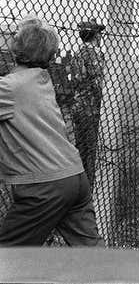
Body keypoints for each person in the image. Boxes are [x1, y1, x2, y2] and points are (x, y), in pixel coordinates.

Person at [0, 17, 102, 247]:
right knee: (93, 255)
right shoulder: (41, 80)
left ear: (15, 47)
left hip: (44, 186)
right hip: (75, 176)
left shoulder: (9, 88)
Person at [70, 19, 106, 189]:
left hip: (78, 107)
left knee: (81, 150)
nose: (101, 36)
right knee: (93, 151)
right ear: (95, 35)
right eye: (99, 33)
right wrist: (106, 103)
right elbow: (98, 83)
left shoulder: (78, 53)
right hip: (91, 109)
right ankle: (90, 188)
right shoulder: (94, 54)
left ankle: (78, 184)